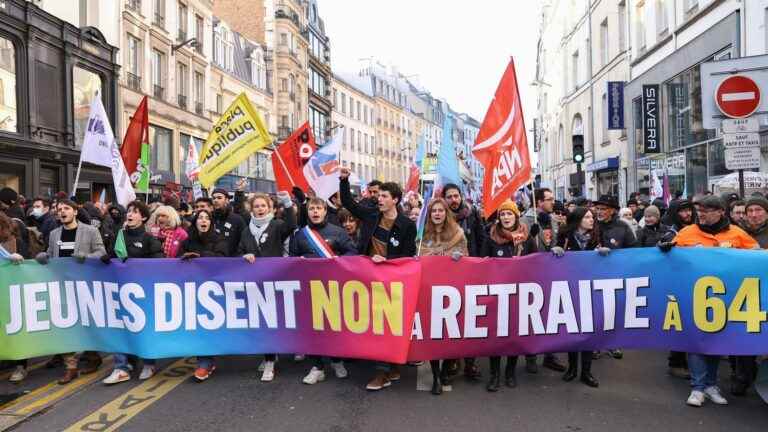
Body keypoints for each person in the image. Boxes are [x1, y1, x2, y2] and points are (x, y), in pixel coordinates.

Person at [663, 195, 758, 407]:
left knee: (716, 341)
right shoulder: (687, 233)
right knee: (697, 341)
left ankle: (711, 385)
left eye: (706, 211)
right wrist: (664, 248)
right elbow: (667, 258)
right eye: (700, 211)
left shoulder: (737, 234)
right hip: (694, 296)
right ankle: (697, 388)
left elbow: (757, 257)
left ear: (720, 212)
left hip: (725, 299)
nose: (701, 214)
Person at [339, 167, 416, 391]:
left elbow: (408, 256)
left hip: (393, 280)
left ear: (395, 200)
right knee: (377, 325)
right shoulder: (372, 215)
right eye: (378, 195)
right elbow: (349, 204)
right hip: (369, 278)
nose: (378, 199)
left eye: (383, 196)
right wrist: (344, 180)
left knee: (388, 324)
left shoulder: (407, 225)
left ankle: (386, 371)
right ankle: (385, 371)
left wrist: (388, 261)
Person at [35, 200, 107, 384]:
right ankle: (71, 367)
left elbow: (101, 252)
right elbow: (50, 253)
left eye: (66, 208)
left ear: (75, 211)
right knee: (66, 325)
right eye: (59, 210)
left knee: (85, 324)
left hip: (84, 285)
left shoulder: (90, 231)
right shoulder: (54, 233)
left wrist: (87, 257)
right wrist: (43, 257)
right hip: (62, 285)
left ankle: (92, 355)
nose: (62, 212)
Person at [289, 197, 356, 385]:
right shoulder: (300, 235)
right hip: (308, 290)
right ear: (308, 211)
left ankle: (336, 360)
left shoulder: (338, 232)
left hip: (333, 288)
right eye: (312, 208)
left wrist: (337, 260)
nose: (315, 212)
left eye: (319, 208)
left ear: (325, 211)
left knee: (333, 327)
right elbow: (292, 259)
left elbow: (352, 253)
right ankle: (317, 366)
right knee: (312, 330)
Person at [102, 201, 164, 385]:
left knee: (143, 328)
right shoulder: (119, 235)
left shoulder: (149, 239)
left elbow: (159, 261)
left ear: (143, 217)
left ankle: (149, 363)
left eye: (135, 212)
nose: (130, 214)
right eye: (129, 211)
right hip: (121, 290)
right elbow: (113, 254)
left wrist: (136, 262)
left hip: (143, 292)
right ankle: (121, 367)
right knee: (120, 328)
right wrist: (108, 258)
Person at [239, 191, 297, 382]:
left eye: (263, 206)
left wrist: (288, 204)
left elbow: (291, 225)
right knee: (263, 322)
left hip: (276, 280)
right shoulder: (247, 230)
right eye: (256, 206)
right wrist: (245, 255)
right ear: (251, 209)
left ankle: (272, 360)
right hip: (256, 283)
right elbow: (240, 249)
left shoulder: (277, 225)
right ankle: (270, 357)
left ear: (270, 208)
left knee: (274, 321)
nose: (260, 209)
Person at [480, 200, 536, 392]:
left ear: (516, 216)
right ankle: (494, 374)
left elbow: (536, 261)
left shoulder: (527, 237)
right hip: (496, 293)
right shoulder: (491, 237)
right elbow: (482, 262)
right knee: (496, 335)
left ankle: (510, 372)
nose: (505, 217)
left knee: (514, 334)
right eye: (502, 214)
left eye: (509, 214)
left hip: (519, 293)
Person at [551, 207, 609, 388]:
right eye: (588, 217)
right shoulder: (565, 236)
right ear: (578, 220)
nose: (592, 220)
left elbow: (608, 259)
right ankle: (572, 368)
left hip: (591, 289)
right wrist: (556, 250)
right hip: (570, 289)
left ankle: (586, 372)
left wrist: (605, 254)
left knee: (588, 332)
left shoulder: (598, 237)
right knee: (572, 330)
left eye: (592, 217)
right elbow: (552, 257)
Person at [418, 198, 468, 395]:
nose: (437, 214)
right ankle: (436, 376)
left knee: (450, 333)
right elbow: (417, 257)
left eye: (440, 210)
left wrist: (459, 257)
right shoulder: (423, 236)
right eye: (433, 211)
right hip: (429, 290)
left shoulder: (458, 234)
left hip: (452, 290)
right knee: (433, 335)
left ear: (446, 213)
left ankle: (448, 367)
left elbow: (467, 257)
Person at [178, 210, 229, 381]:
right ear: (195, 222)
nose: (203, 220)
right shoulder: (187, 241)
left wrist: (200, 257)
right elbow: (175, 261)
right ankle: (205, 362)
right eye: (200, 218)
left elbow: (222, 258)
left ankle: (207, 361)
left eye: (207, 218)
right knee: (198, 326)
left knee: (210, 326)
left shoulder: (219, 239)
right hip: (191, 290)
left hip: (214, 291)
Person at [520, 187, 567, 373]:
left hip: (551, 273)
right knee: (531, 316)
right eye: (549, 199)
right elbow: (521, 244)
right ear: (538, 201)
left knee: (551, 315)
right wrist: (530, 235)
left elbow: (555, 242)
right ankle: (531, 355)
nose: (552, 202)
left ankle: (550, 355)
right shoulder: (525, 219)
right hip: (531, 274)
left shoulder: (553, 220)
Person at [441, 183, 485, 379]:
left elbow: (481, 238)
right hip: (447, 275)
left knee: (470, 318)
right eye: (449, 197)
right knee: (451, 319)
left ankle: (470, 362)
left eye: (456, 196)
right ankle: (451, 359)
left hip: (470, 272)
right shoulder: (438, 217)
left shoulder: (472, 214)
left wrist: (481, 263)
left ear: (461, 196)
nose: (453, 200)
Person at [730, 196, 768, 396]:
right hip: (743, 293)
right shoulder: (736, 233)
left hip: (766, 292)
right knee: (743, 335)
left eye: (759, 210)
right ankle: (743, 375)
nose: (754, 215)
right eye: (750, 211)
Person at [593, 195, 637, 359]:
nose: (599, 212)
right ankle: (595, 345)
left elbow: (634, 250)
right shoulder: (591, 225)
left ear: (612, 210)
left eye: (603, 209)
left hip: (615, 276)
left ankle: (612, 343)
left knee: (613, 311)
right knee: (596, 311)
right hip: (593, 276)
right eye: (597, 209)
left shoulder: (623, 227)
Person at [1, 212, 32, 382]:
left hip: (12, 294)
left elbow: (27, 266)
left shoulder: (16, 243)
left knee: (16, 328)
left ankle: (21, 365)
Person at [211, 188, 246, 256]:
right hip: (213, 261)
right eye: (214, 198)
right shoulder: (208, 218)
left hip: (233, 262)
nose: (215, 200)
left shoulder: (237, 219)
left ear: (227, 200)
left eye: (219, 198)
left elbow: (244, 242)